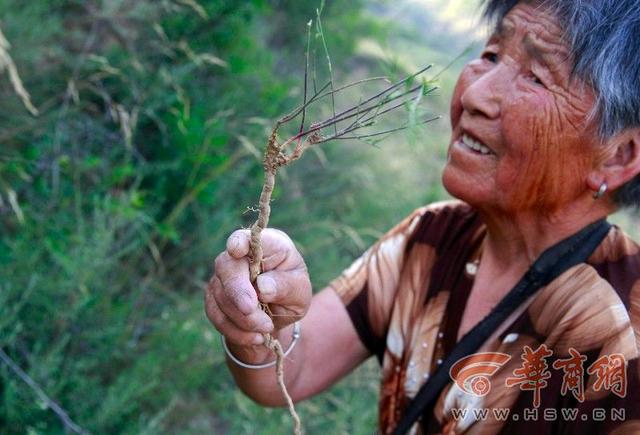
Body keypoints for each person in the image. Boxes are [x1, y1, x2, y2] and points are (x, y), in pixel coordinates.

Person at [205, 0, 640, 433]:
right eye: (490, 55)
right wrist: (262, 321)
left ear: (619, 155)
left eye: (536, 76)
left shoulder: (624, 334)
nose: (474, 95)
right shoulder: (431, 238)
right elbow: (292, 369)